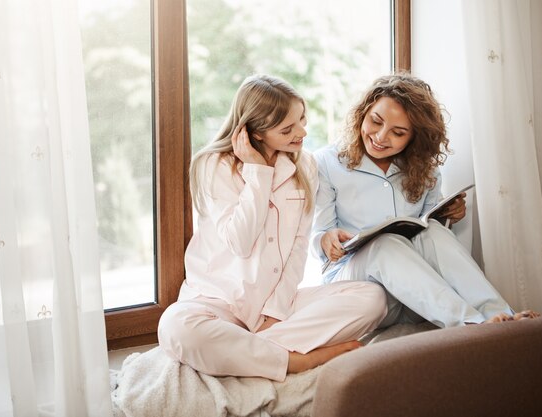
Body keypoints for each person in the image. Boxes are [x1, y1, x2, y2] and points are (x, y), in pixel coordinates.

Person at [158, 74, 388, 382]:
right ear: (255, 131)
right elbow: (239, 242)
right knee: (175, 327)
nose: (302, 132)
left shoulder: (304, 165)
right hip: (217, 302)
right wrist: (258, 172)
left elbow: (297, 246)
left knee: (373, 298)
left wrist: (275, 313)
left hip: (277, 307)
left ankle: (247, 354)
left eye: (302, 120)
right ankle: (297, 361)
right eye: (288, 129)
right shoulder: (215, 165)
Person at [311, 73, 538, 329]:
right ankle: (469, 325)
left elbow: (425, 228)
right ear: (363, 113)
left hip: (416, 297)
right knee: (385, 244)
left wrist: (448, 215)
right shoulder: (327, 162)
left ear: (413, 138)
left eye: (398, 133)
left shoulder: (425, 170)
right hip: (358, 290)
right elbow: (317, 233)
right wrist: (325, 240)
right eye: (375, 121)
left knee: (434, 233)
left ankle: (499, 316)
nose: (381, 137)